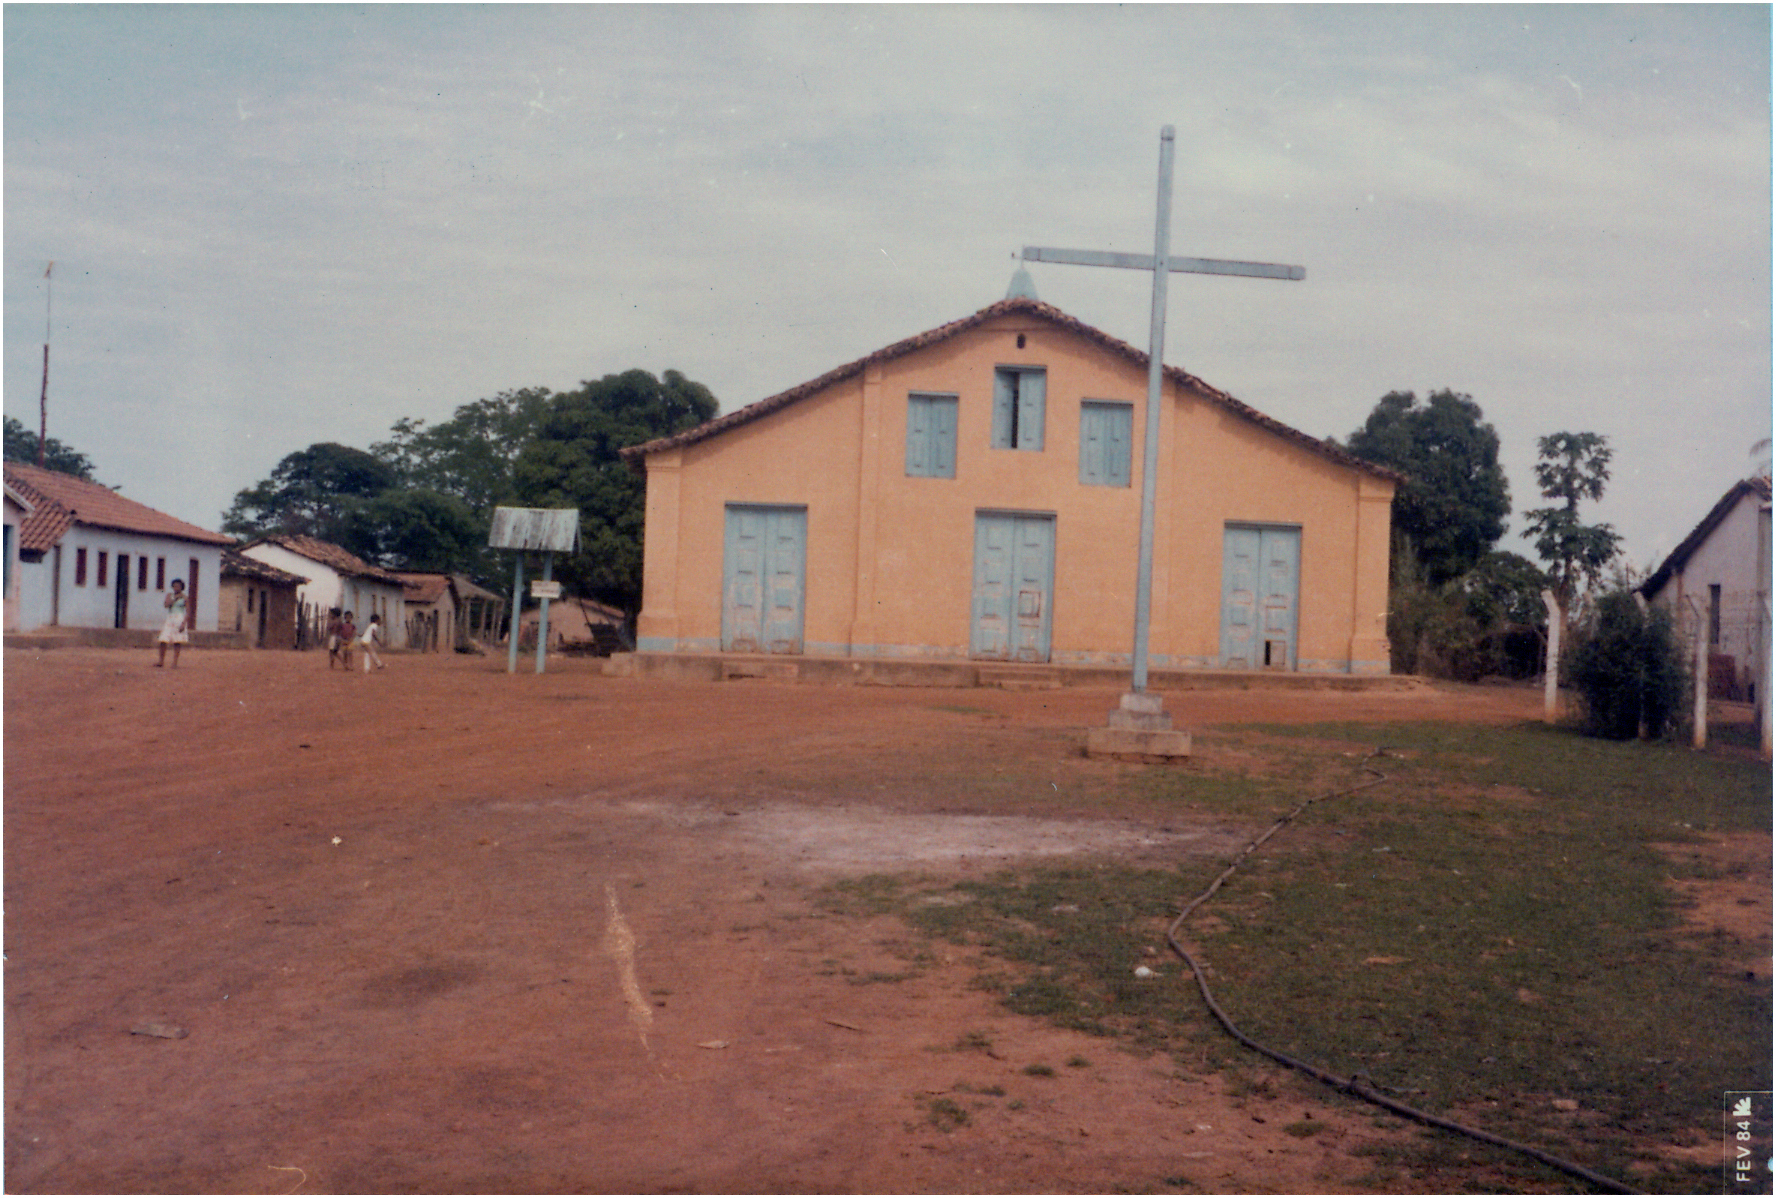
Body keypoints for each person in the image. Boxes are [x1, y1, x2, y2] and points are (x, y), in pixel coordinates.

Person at [155, 578, 189, 668]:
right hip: (170, 618)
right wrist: (175, 598)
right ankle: (161, 661)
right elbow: (166, 605)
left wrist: (184, 623)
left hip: (179, 619)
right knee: (163, 639)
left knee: (177, 641)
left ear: (181, 587)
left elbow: (188, 611)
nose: (176, 588)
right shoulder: (169, 595)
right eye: (174, 586)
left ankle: (175, 662)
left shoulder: (185, 597)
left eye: (178, 586)